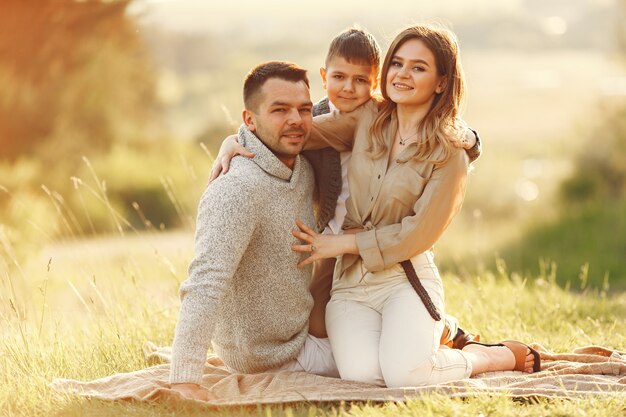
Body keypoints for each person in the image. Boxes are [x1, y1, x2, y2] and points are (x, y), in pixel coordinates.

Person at [287, 24, 540, 387]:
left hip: (404, 278)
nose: (402, 74)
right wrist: (236, 140)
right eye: (397, 64)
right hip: (350, 284)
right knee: (363, 375)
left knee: (405, 378)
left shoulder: (451, 152)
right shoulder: (366, 117)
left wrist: (340, 244)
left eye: (418, 68)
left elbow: (416, 235)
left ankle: (487, 355)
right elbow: (294, 130)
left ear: (441, 81)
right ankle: (438, 335)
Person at [211, 27, 481, 348]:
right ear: (325, 77)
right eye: (339, 78)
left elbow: (440, 128)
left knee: (346, 321)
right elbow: (287, 131)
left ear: (374, 83)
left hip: (374, 240)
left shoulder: (383, 113)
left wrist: (473, 139)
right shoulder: (327, 117)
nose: (349, 89)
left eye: (361, 80)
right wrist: (237, 137)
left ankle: (442, 329)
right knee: (315, 323)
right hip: (330, 234)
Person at [169, 61, 339, 401]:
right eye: (279, 110)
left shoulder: (302, 168)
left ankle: (442, 328)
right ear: (250, 120)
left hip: (300, 334)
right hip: (268, 357)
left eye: (304, 110)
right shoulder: (237, 188)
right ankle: (466, 348)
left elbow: (360, 116)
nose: (295, 120)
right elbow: (205, 281)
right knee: (383, 364)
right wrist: (184, 380)